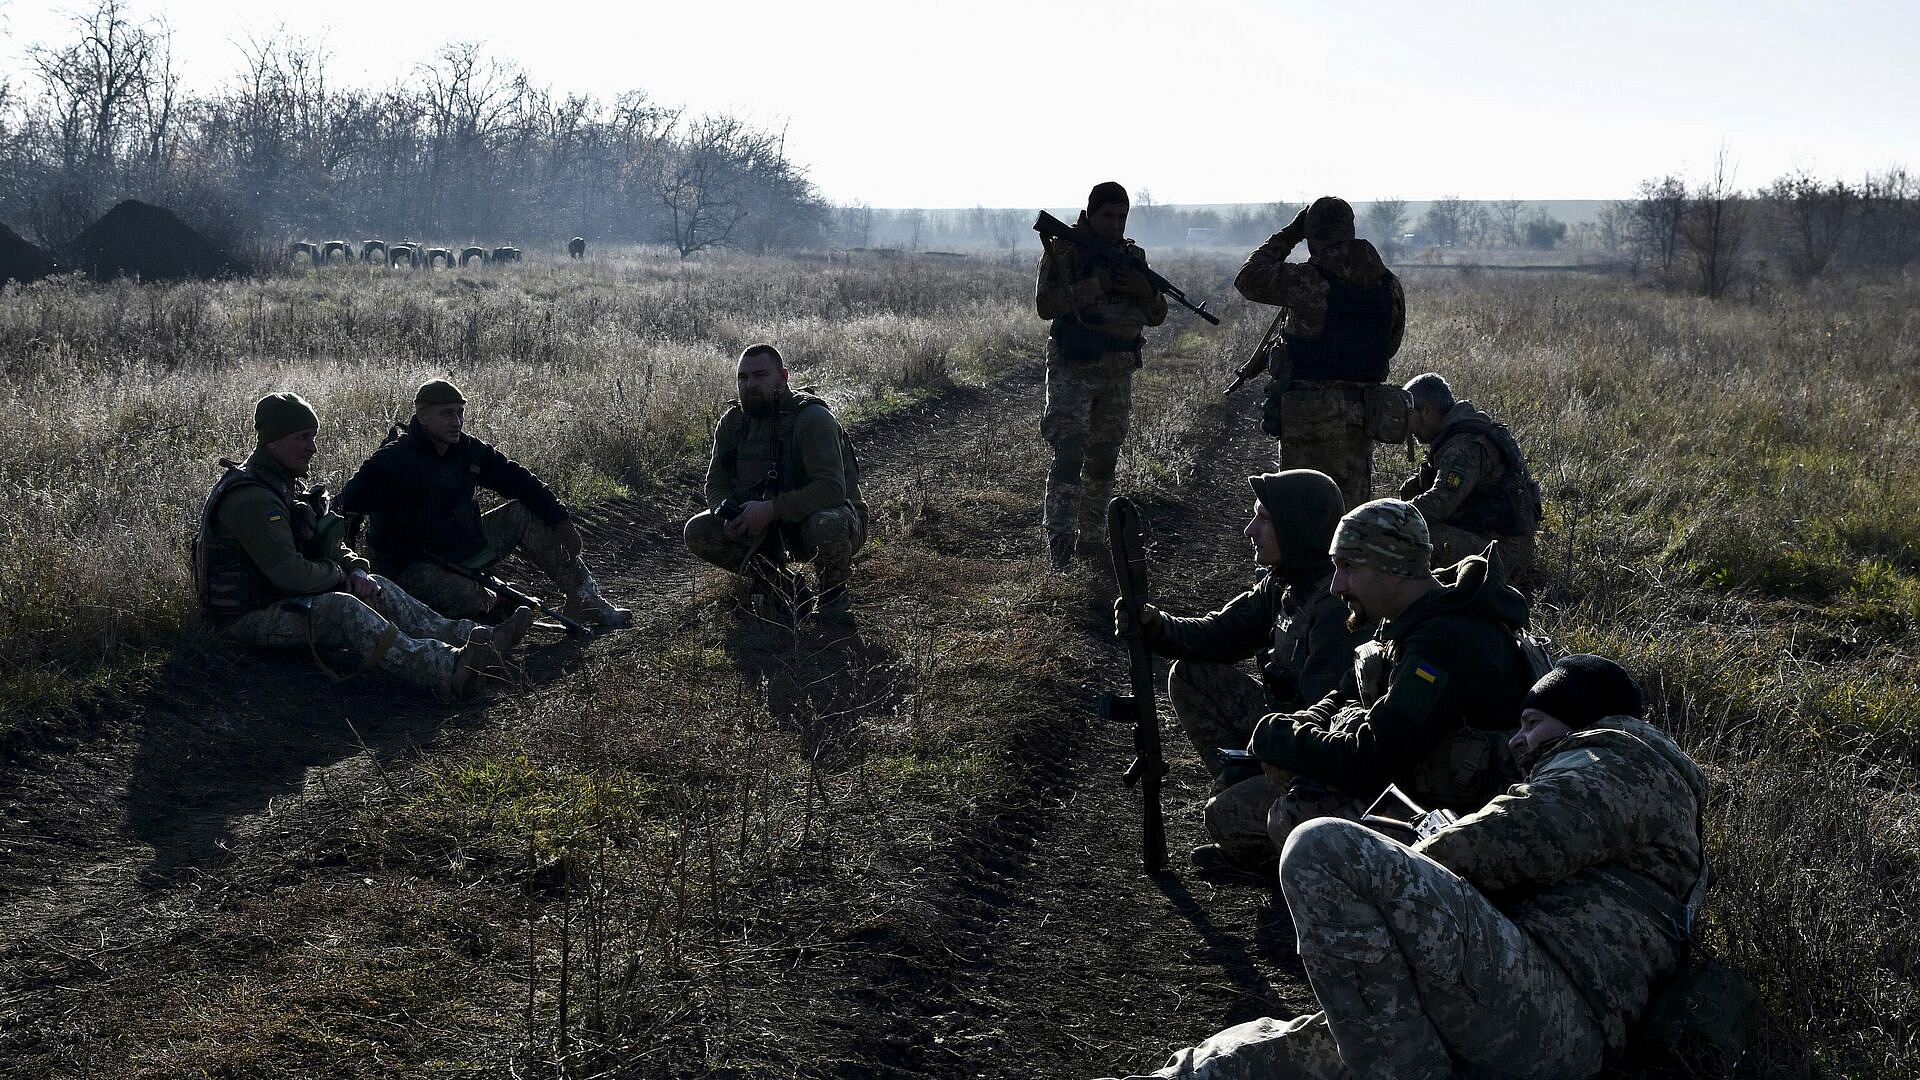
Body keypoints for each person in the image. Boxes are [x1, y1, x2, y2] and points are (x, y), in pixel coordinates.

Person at [1105, 654, 1707, 1080]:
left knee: (1325, 849)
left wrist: (1406, 865)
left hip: (1553, 1011)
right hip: (1515, 1002)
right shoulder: (1624, 779)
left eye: (1532, 724)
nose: (1519, 743)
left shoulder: (1626, 760)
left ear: (1582, 717)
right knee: (1281, 1054)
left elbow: (1509, 840)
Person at [193, 392, 534, 703]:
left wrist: (355, 567)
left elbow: (328, 542)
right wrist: (340, 577)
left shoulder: (283, 484)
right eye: (303, 437)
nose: (312, 447)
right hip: (245, 618)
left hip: (281, 600)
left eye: (313, 436)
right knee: (344, 608)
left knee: (377, 586)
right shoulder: (252, 498)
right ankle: (450, 669)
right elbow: (289, 574)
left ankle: (476, 639)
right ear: (273, 440)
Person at [1112, 470, 1368, 876]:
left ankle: (1274, 847)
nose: (1251, 530)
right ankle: (1247, 787)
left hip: (1314, 754)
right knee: (1190, 675)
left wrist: (1270, 759)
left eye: (1264, 519)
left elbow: (1332, 726)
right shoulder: (1284, 583)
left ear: (1296, 526)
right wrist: (1156, 626)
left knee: (1223, 817)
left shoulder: (1334, 608)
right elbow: (1221, 634)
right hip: (1281, 729)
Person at [1248, 498, 1538, 854]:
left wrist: (1277, 738)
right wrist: (1309, 720)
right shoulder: (1406, 616)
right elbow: (1348, 689)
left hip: (1466, 820)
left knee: (1292, 816)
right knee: (1234, 814)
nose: (1337, 586)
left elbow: (1371, 759)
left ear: (1397, 570)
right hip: (1410, 783)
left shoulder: (1445, 642)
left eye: (1349, 567)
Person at [335, 379, 630, 629]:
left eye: (461, 413)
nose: (457, 422)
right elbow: (345, 508)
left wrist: (560, 520)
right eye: (448, 414)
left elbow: (519, 480)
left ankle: (586, 601)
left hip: (464, 550)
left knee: (523, 512)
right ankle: (497, 605)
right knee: (466, 597)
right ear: (423, 417)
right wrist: (352, 572)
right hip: (411, 568)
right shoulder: (391, 460)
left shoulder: (469, 450)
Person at [1233, 196, 1406, 510]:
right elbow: (1390, 346)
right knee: (1347, 515)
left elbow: (1247, 279)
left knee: (1300, 512)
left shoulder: (1309, 280)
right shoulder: (1389, 285)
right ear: (1350, 231)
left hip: (1308, 417)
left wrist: (1288, 235)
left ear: (1312, 236)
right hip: (1361, 418)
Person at [684, 344, 867, 624]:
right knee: (698, 529)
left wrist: (770, 510)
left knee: (826, 523)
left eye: (760, 376)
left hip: (829, 521)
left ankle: (833, 598)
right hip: (766, 524)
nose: (750, 385)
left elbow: (831, 490)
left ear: (783, 377)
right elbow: (716, 481)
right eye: (742, 378)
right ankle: (783, 588)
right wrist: (724, 513)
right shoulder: (733, 423)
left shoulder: (812, 419)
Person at [1036, 181, 1168, 569]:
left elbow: (1158, 315)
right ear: (1091, 214)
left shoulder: (1132, 257)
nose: (1115, 224)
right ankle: (1060, 544)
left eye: (1121, 217)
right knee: (1070, 453)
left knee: (1104, 459)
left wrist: (1143, 290)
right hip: (1074, 369)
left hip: (1117, 372)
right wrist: (1099, 285)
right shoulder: (1066, 250)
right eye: (1107, 216)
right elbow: (1046, 305)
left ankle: (1092, 541)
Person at [1400, 371, 1543, 586]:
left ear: (1427, 411)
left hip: (1504, 552)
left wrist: (1393, 518)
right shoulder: (1456, 435)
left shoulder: (1462, 447)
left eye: (1409, 415)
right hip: (1490, 537)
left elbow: (1440, 503)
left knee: (1414, 537)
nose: (1407, 426)